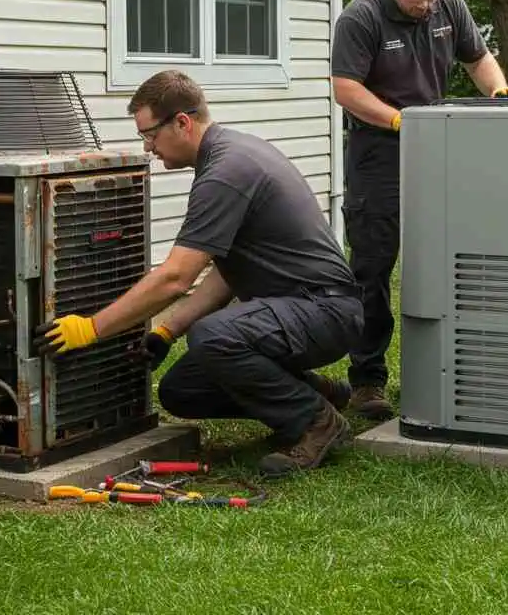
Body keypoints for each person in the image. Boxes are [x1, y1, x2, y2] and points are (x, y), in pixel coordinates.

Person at [35, 70, 364, 477]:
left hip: (325, 310)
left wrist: (90, 329)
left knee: (213, 336)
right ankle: (316, 393)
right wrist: (165, 332)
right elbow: (225, 274)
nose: (148, 147)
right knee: (181, 391)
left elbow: (176, 277)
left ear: (182, 123)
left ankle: (317, 422)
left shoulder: (226, 171)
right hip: (301, 310)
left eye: (150, 135)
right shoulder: (227, 156)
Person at [330, 0, 508, 420]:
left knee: (450, 256)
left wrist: (498, 92)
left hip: (438, 146)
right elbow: (345, 88)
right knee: (372, 268)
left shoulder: (449, 4)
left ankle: (450, 366)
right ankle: (367, 380)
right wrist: (399, 120)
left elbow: (478, 58)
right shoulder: (362, 16)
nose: (425, 6)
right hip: (379, 150)